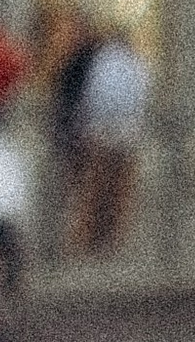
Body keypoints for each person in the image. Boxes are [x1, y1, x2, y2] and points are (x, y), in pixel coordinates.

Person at [64, 21, 151, 257]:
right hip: (127, 134)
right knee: (120, 192)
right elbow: (142, 98)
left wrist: (86, 127)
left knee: (93, 190)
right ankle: (112, 240)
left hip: (101, 132)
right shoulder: (137, 64)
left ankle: (86, 239)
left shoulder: (101, 62)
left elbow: (92, 97)